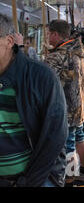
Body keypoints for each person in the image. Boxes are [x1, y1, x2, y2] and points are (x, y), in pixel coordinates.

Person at [0, 15, 67, 187]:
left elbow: (55, 137)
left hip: (36, 176)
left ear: (9, 41)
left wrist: (28, 182)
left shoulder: (42, 77)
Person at [44, 20, 84, 187]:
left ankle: (69, 181)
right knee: (79, 138)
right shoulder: (79, 52)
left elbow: (42, 81)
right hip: (79, 108)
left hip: (65, 111)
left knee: (68, 148)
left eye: (48, 34)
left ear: (55, 34)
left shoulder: (57, 56)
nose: (47, 37)